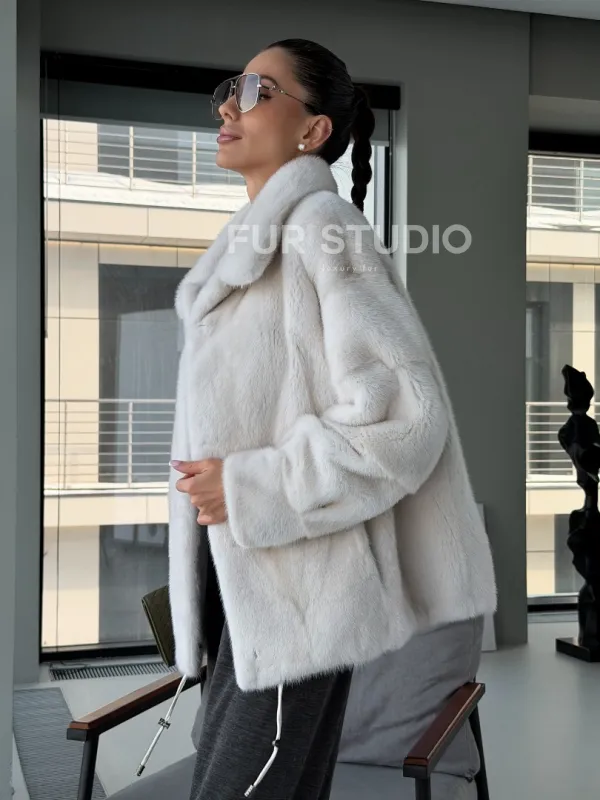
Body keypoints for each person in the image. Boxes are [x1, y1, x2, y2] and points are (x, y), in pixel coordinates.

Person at [168, 38, 496, 800]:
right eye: (231, 89)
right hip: (248, 594)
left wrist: (252, 486)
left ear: (312, 130)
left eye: (258, 90)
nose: (229, 105)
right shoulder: (256, 244)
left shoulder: (323, 229)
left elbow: (407, 421)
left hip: (301, 603)